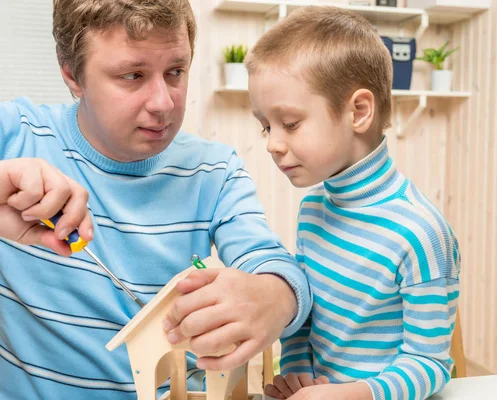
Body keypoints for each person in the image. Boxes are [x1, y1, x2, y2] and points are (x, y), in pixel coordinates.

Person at [0, 1, 311, 399]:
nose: (163, 102)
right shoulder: (16, 136)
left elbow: (273, 263)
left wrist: (275, 296)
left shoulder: (213, 172)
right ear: (71, 75)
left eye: (175, 72)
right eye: (133, 75)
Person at [245, 6, 461, 400]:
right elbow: (306, 320)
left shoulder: (419, 232)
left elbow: (430, 364)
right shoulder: (312, 211)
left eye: (290, 123)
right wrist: (297, 376)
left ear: (358, 111)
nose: (273, 144)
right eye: (266, 126)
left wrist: (355, 393)